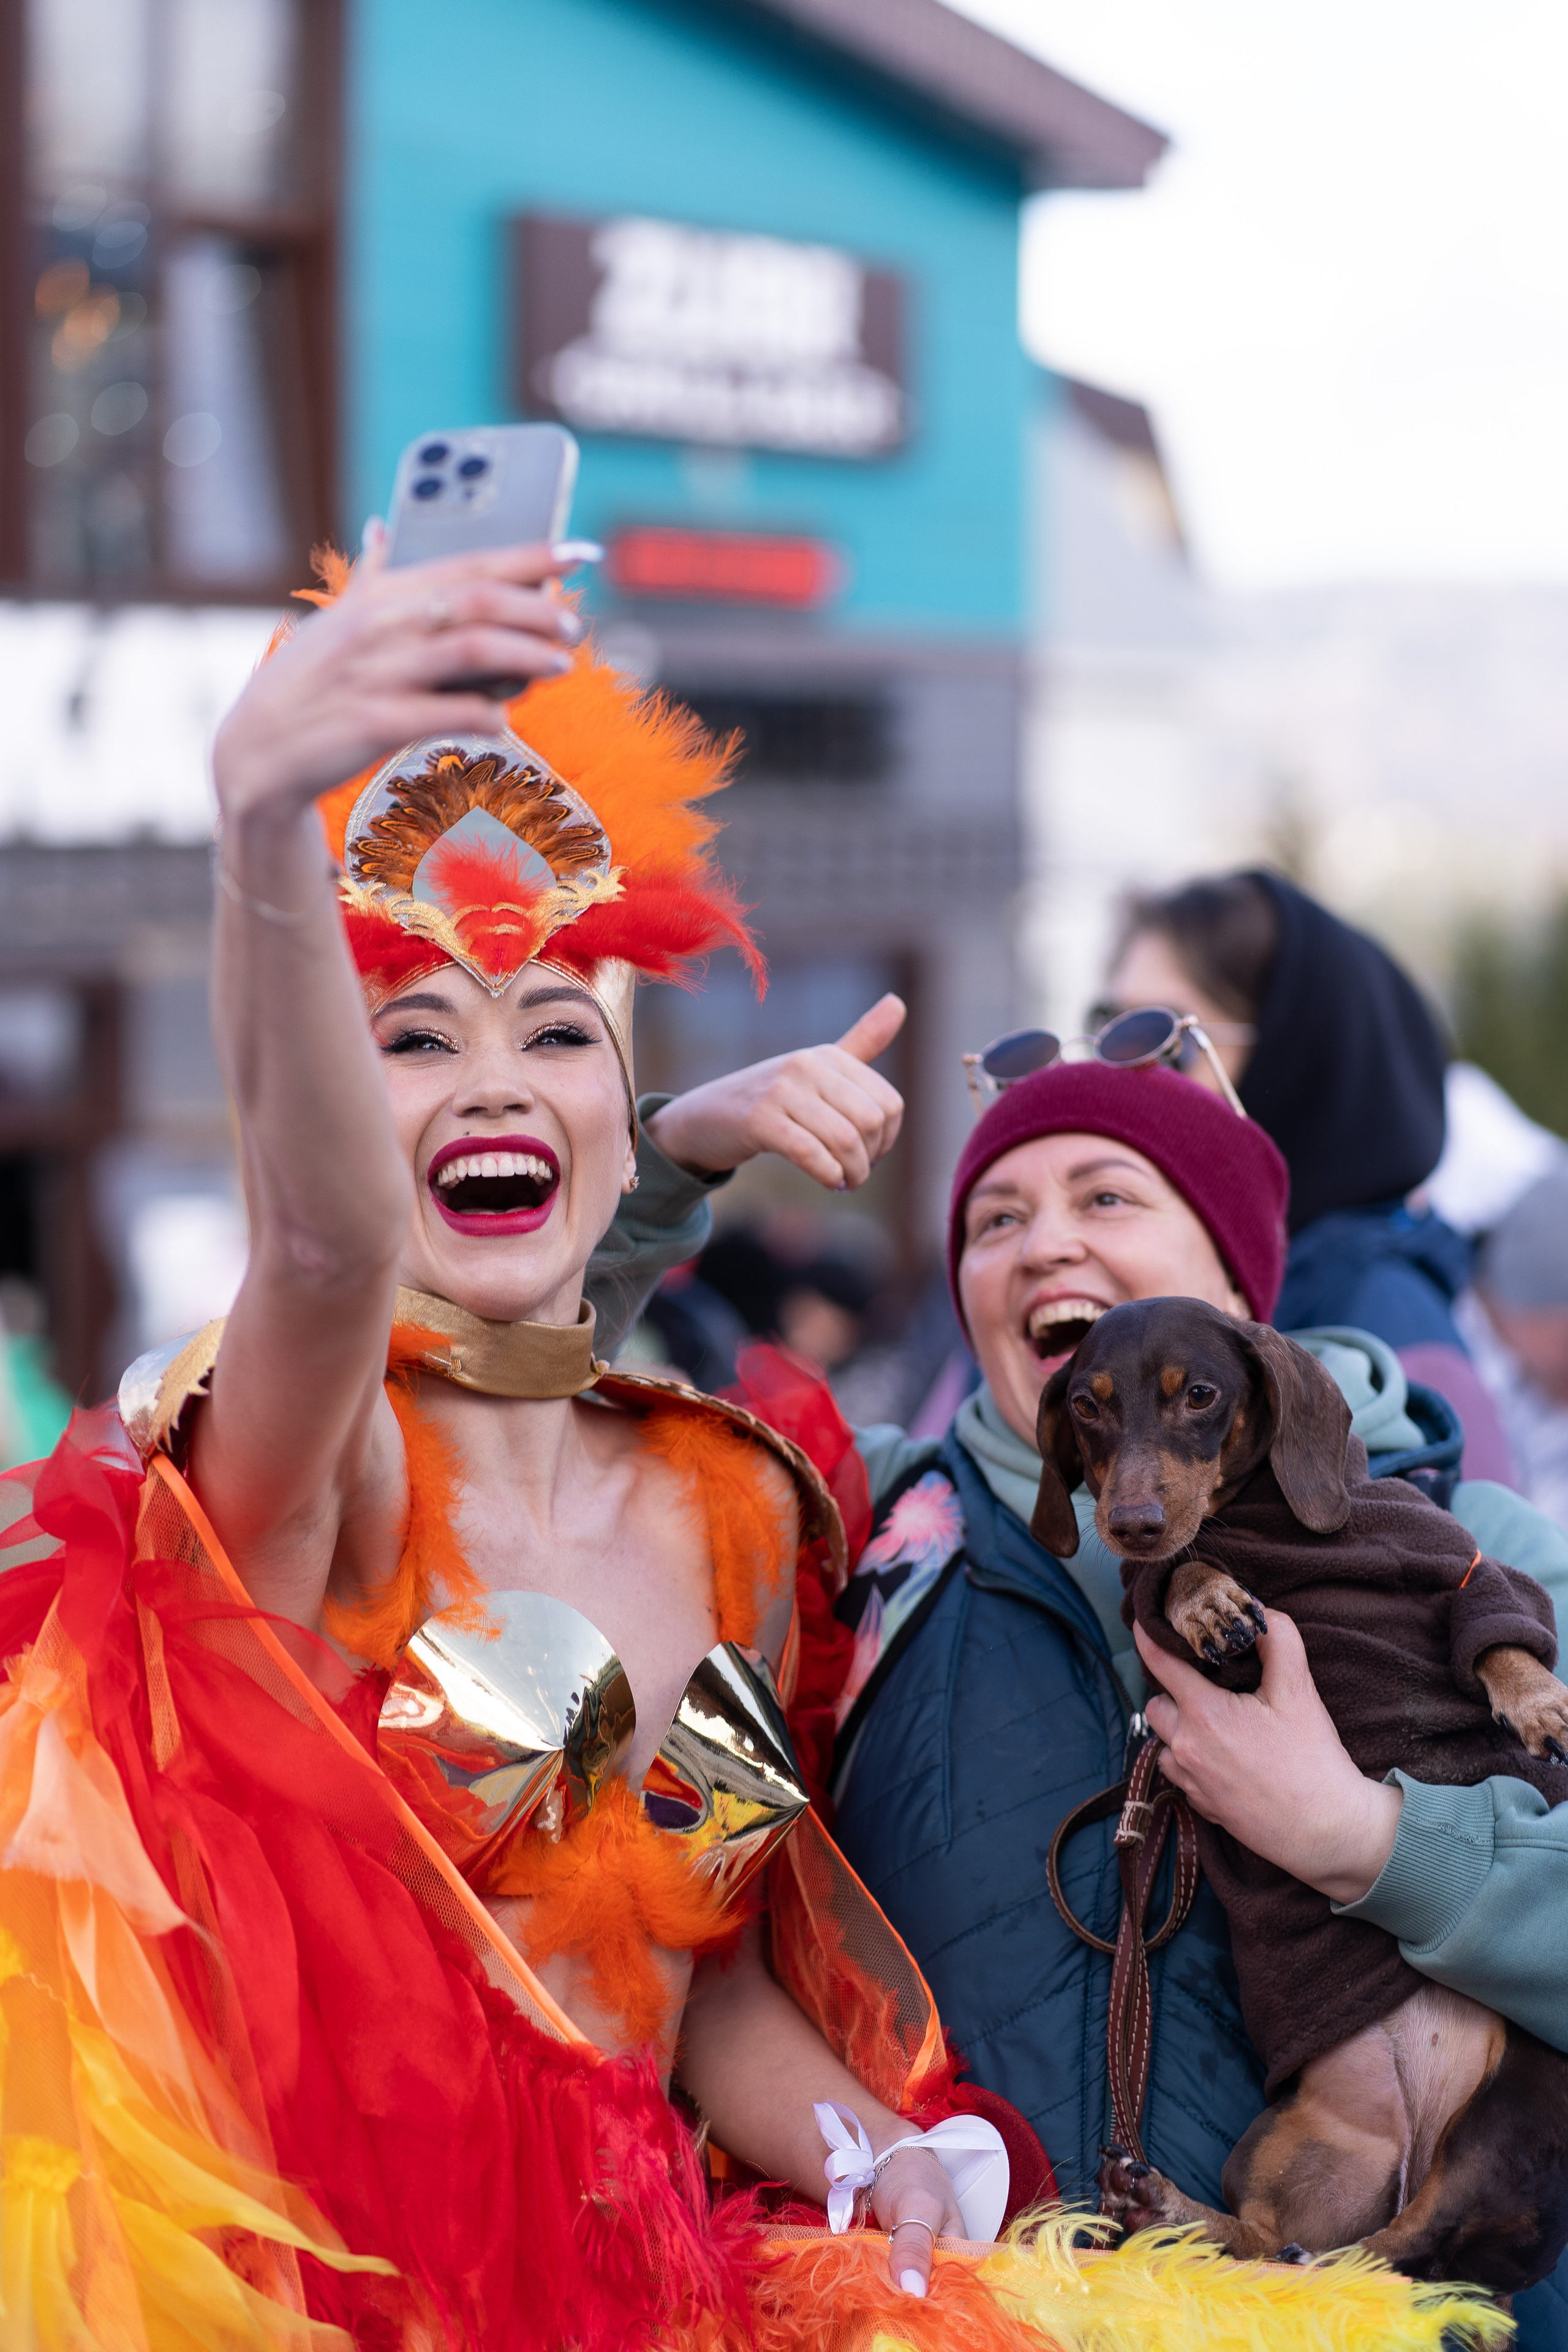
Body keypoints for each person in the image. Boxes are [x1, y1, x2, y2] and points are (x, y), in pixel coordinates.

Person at [0, 540, 1068, 2351]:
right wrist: (261, 819)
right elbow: (329, 1254)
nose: (496, 1080)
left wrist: (881, 2147)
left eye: (554, 1031)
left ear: (615, 1096)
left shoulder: (735, 1490)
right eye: (412, 1037)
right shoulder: (315, 1475)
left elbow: (691, 1961)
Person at [630, 1053, 1568, 2345]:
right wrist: (666, 1167)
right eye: (995, 1219)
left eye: (1106, 1197)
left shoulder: (1469, 1540)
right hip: (965, 2321)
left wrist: (1367, 1842)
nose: (1042, 1243)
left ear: (1238, 1277)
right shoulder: (859, 1540)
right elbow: (510, 1406)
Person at [1100, 870, 1514, 1479]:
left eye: (1167, 1042)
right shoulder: (1088, 1266)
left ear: (1294, 1064)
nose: (1119, 1080)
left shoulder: (1388, 1329)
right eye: (1109, 1034)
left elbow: (1482, 1566)